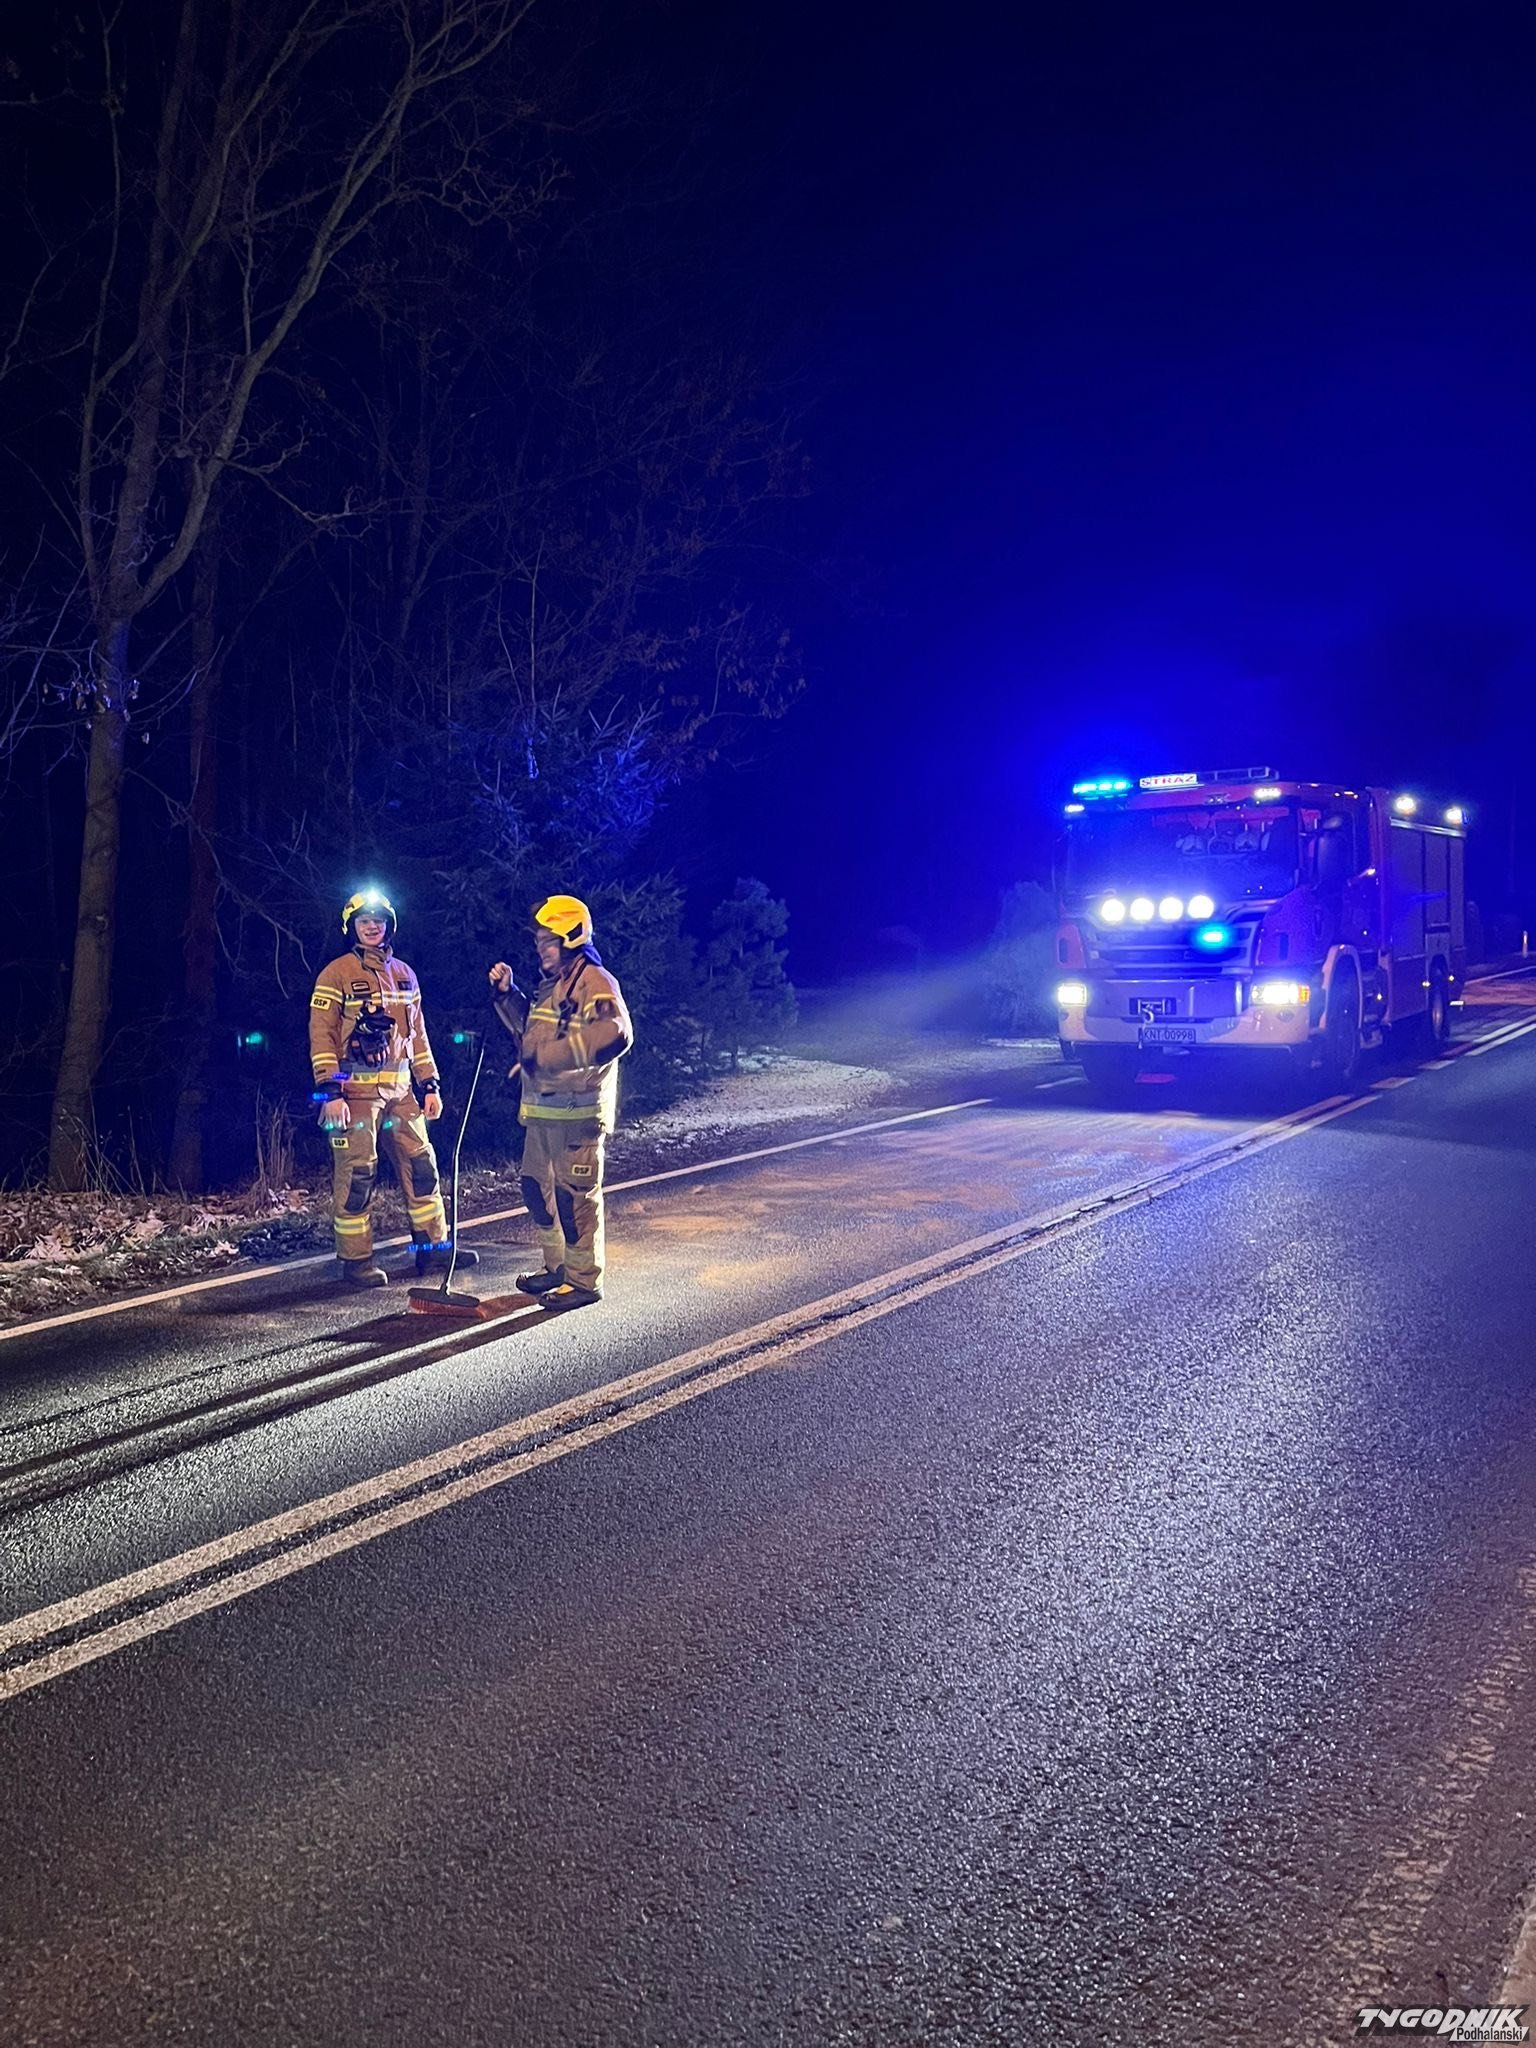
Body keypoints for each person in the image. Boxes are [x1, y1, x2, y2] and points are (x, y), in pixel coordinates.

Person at [308, 889, 479, 1289]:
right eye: (364, 921)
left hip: (401, 1093)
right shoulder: (335, 974)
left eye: (379, 921)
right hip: (354, 1097)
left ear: (390, 926)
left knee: (422, 1167)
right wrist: (330, 1092)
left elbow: (417, 1036)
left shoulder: (405, 974)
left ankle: (433, 1248)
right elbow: (321, 1035)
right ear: (351, 927)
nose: (372, 926)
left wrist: (430, 1085)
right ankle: (357, 1261)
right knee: (358, 1174)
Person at [488, 894, 632, 1313]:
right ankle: (558, 1268)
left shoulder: (595, 981)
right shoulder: (554, 986)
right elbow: (533, 1033)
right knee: (537, 1190)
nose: (541, 949)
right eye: (538, 942)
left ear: (572, 937)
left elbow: (616, 1034)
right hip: (544, 1112)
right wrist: (506, 995)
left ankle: (583, 1281)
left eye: (548, 941)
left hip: (578, 1113)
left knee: (574, 1200)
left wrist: (547, 1058)